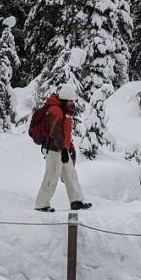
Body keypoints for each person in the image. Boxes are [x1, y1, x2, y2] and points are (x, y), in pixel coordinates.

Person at [34, 83, 92, 212]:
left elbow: (65, 133)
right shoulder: (55, 111)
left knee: (71, 174)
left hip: (62, 150)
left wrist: (67, 148)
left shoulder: (64, 111)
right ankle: (41, 204)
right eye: (70, 101)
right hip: (55, 150)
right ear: (65, 99)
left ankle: (76, 201)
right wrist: (63, 149)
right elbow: (55, 132)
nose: (72, 103)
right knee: (51, 176)